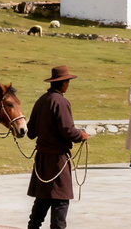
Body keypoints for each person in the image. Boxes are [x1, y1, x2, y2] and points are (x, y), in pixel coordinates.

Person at [27, 65, 88, 229]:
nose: (68, 85)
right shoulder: (61, 102)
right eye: (67, 82)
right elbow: (68, 130)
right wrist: (81, 135)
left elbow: (30, 132)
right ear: (63, 83)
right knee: (60, 201)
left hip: (41, 160)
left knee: (42, 199)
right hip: (57, 161)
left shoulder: (41, 100)